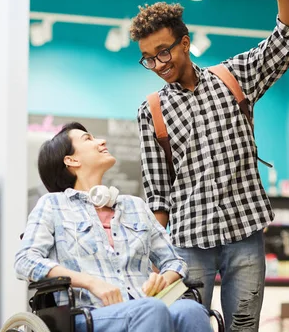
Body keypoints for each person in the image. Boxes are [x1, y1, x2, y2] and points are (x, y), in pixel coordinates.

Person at [131, 0, 289, 332]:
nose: (157, 64)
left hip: (245, 234)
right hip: (189, 243)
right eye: (148, 58)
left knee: (243, 328)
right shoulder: (151, 110)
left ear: (184, 43)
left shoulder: (233, 77)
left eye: (163, 52)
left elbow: (286, 38)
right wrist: (157, 257)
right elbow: (158, 192)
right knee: (190, 327)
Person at [14, 122, 213, 332]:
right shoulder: (53, 205)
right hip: (86, 314)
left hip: (146, 305)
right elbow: (25, 261)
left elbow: (175, 262)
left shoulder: (135, 206)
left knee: (190, 310)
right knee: (151, 309)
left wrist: (162, 280)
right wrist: (90, 282)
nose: (102, 141)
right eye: (88, 139)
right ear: (71, 160)